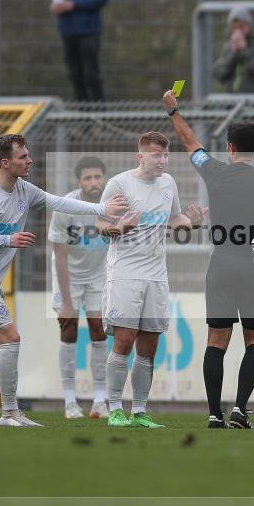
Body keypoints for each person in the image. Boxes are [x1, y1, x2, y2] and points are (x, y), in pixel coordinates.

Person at [0, 134, 127, 427]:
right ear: (5, 163)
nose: (29, 161)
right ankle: (9, 413)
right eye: (23, 157)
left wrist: (100, 209)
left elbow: (59, 202)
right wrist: (8, 239)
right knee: (11, 339)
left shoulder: (24, 190)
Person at [163, 89, 254, 430]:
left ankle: (213, 413)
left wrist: (173, 112)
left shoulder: (215, 171)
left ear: (230, 148)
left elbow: (190, 143)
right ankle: (239, 409)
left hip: (221, 263)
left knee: (216, 340)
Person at [96, 133, 206, 429]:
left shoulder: (168, 183)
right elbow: (100, 224)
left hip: (157, 275)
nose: (163, 161)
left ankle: (140, 411)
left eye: (166, 155)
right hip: (125, 273)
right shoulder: (120, 184)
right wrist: (117, 228)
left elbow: (172, 220)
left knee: (149, 345)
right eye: (157, 155)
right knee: (124, 340)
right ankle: (116, 409)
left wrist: (192, 223)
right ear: (140, 156)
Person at [47, 156, 110, 419]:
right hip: (68, 274)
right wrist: (68, 303)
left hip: (98, 274)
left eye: (98, 177)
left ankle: (100, 400)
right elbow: (60, 255)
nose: (94, 183)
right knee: (69, 327)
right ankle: (70, 401)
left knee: (99, 329)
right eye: (88, 178)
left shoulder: (112, 204)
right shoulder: (66, 207)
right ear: (79, 181)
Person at [50, 0, 109, 101]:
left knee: (91, 75)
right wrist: (55, 6)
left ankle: (99, 116)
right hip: (67, 31)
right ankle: (83, 120)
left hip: (88, 31)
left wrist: (74, 4)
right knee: (75, 76)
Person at [212, 6, 254, 95]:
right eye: (234, 27)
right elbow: (219, 74)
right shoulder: (229, 47)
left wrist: (244, 52)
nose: (238, 31)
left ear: (250, 25)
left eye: (241, 26)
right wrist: (233, 54)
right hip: (230, 102)